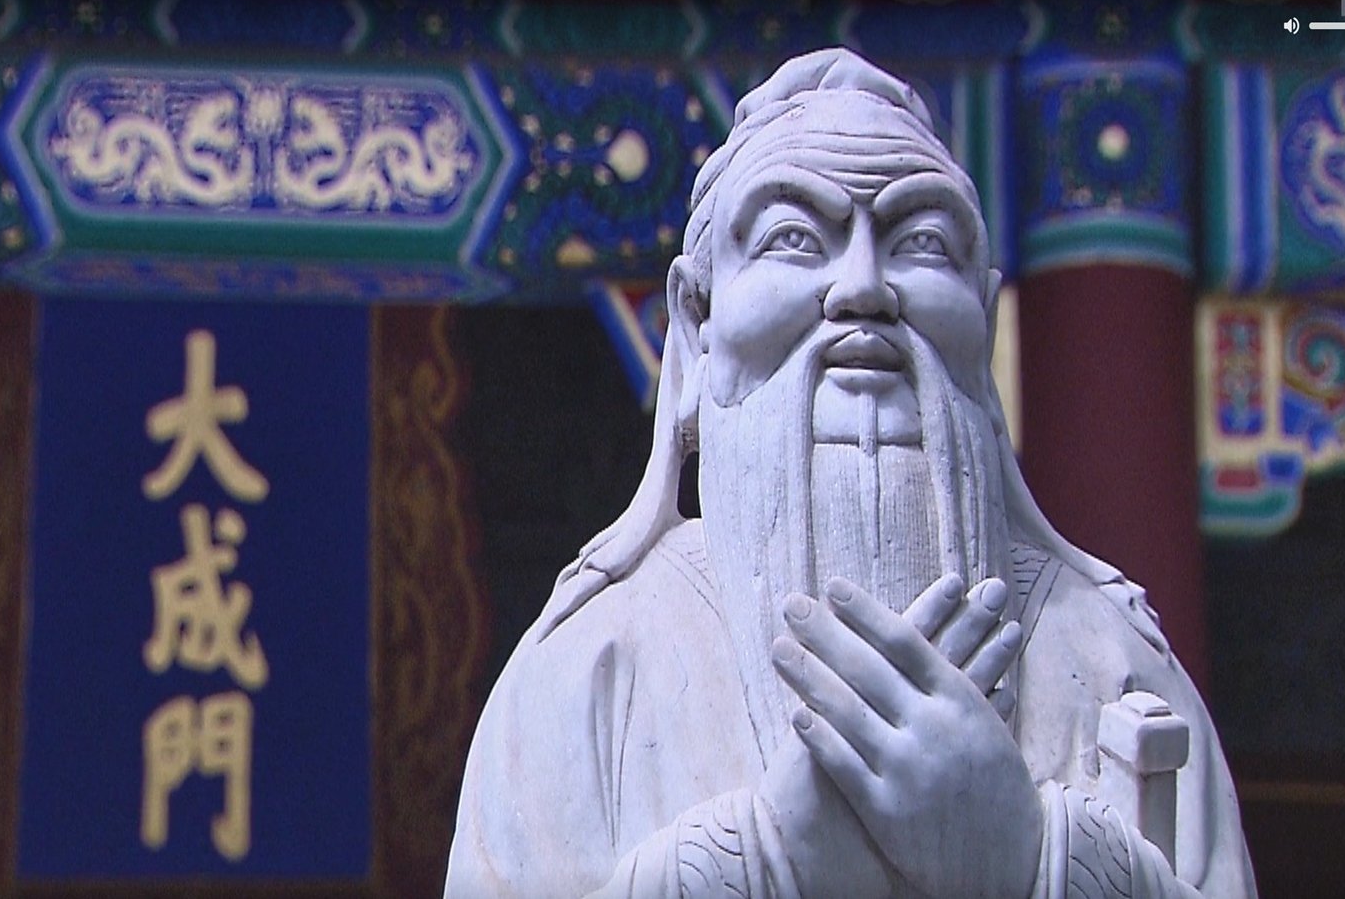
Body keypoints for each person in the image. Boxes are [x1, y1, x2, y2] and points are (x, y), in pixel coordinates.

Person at [446, 48, 1256, 898]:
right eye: (793, 239)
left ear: (982, 324)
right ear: (697, 322)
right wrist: (765, 855)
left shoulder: (1110, 657)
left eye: (921, 243)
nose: (864, 289)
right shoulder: (587, 668)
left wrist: (1026, 853)